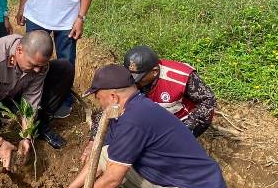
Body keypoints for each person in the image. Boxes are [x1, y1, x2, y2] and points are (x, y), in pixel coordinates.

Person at [47, 65, 229, 188]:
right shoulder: (128, 109)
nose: (99, 104)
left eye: (98, 98)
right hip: (174, 183)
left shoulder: (136, 119)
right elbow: (101, 157)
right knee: (107, 153)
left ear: (114, 97)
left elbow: (112, 179)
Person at [81, 45, 217, 163]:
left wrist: (183, 130)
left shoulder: (179, 77)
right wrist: (94, 140)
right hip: (149, 121)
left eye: (138, 79)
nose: (134, 83)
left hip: (180, 122)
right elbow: (108, 109)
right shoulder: (127, 81)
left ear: (154, 72)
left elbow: (208, 100)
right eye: (131, 77)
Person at [0, 31, 75, 168]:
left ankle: (40, 124)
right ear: (19, 51)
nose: (37, 70)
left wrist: (27, 137)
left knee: (64, 69)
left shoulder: (40, 65)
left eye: (41, 66)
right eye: (33, 65)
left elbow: (31, 100)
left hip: (13, 94)